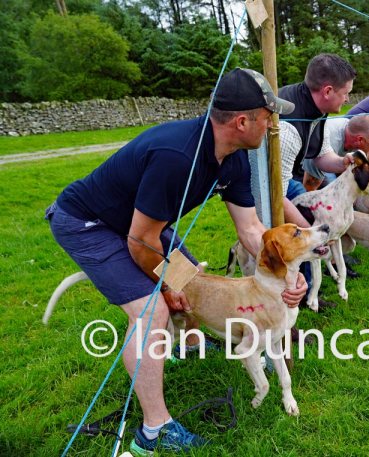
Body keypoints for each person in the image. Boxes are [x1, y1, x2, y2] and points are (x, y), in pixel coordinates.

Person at [46, 68, 306, 454]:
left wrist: (288, 276)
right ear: (242, 120)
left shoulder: (234, 159)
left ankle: (185, 345)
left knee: (192, 284)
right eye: (269, 116)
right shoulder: (178, 156)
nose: (272, 125)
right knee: (152, 311)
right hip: (90, 224)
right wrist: (167, 287)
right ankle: (154, 429)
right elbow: (141, 242)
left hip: (141, 223)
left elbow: (251, 230)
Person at [277, 53, 357, 309]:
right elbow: (275, 193)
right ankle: (297, 296)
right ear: (328, 90)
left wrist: (343, 163)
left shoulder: (318, 110)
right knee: (305, 229)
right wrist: (312, 232)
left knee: (313, 223)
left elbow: (322, 155)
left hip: (284, 176)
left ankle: (308, 292)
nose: (347, 99)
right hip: (262, 183)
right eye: (346, 93)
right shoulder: (288, 124)